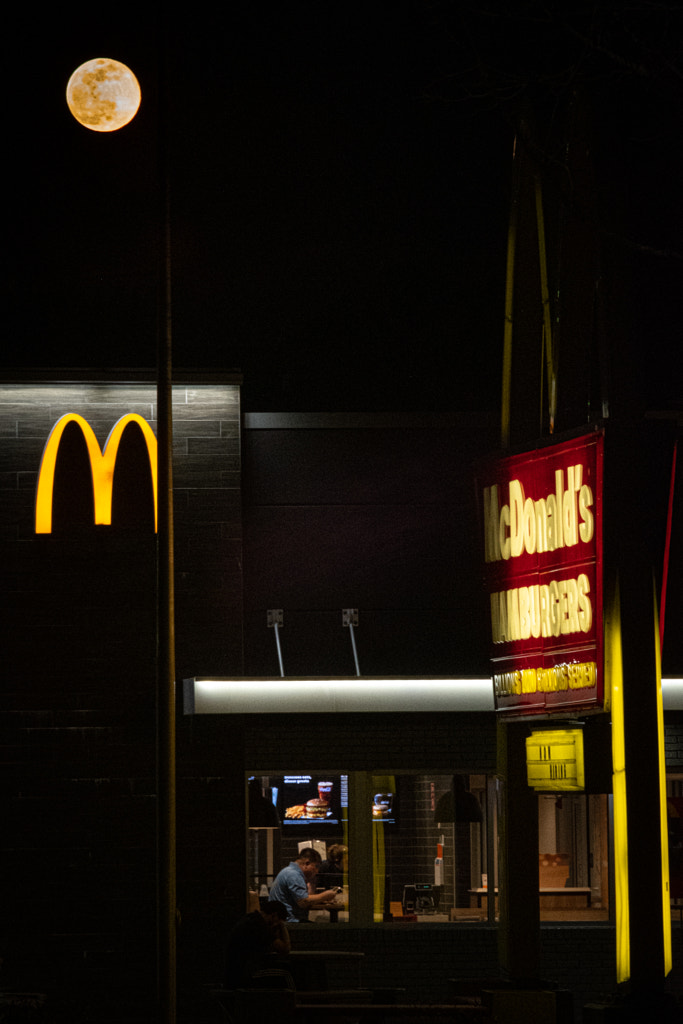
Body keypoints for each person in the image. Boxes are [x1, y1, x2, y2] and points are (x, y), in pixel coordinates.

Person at [225, 900, 292, 989]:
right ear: (274, 915)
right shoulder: (260, 927)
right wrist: (283, 927)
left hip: (234, 971)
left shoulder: (251, 919)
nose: (276, 925)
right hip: (246, 974)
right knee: (286, 975)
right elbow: (285, 949)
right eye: (278, 921)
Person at [269, 848, 339, 923]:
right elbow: (304, 902)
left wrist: (312, 883)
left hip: (284, 919)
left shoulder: (289, 871)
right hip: (289, 921)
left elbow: (304, 897)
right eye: (316, 866)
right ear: (307, 863)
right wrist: (325, 896)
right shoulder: (293, 874)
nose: (317, 871)